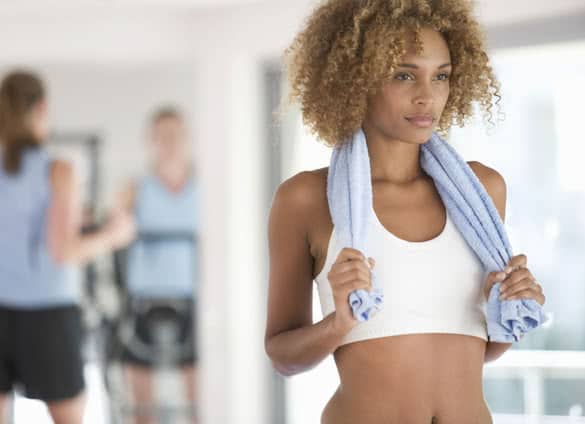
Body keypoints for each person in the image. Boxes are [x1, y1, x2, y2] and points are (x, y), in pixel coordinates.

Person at [264, 1, 546, 423]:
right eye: (403, 75)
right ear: (354, 79)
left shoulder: (482, 192)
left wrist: (509, 307)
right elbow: (283, 357)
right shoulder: (306, 198)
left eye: (442, 76)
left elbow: (476, 351)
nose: (427, 96)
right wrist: (339, 323)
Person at [0, 70, 135, 423]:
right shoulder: (57, 170)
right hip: (47, 315)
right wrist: (115, 234)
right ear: (42, 108)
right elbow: (64, 251)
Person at [116, 106, 199, 424]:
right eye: (162, 136)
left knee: (199, 402)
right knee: (141, 409)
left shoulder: (203, 190)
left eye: (175, 135)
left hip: (192, 302)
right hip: (143, 302)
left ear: (185, 138)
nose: (169, 142)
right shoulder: (134, 189)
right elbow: (113, 238)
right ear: (150, 140)